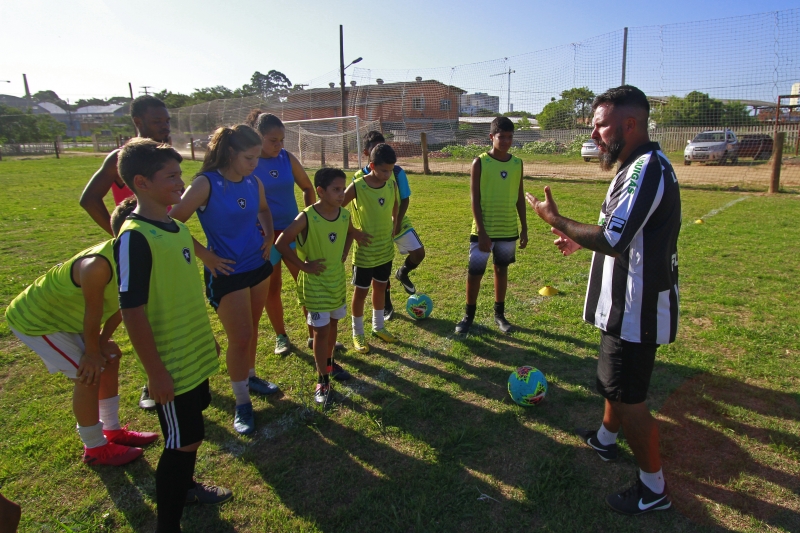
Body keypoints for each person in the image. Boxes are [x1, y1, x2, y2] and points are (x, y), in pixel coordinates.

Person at [526, 85, 680, 515]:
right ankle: (605, 440)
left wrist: (553, 218)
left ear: (629, 124)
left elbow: (613, 238)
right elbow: (622, 231)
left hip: (636, 310)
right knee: (613, 383)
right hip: (624, 307)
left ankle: (654, 490)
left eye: (600, 124)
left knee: (630, 400)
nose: (593, 133)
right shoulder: (633, 166)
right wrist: (579, 244)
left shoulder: (646, 168)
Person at [114, 138, 233, 533]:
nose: (180, 182)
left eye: (180, 173)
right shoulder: (134, 236)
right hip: (170, 362)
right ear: (141, 182)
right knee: (184, 440)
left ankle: (187, 488)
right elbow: (131, 309)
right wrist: (156, 373)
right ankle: (169, 525)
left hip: (193, 351)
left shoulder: (178, 227)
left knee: (189, 432)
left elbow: (183, 289)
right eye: (170, 176)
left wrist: (206, 336)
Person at [5, 198, 158, 466]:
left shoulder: (141, 258)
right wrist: (90, 352)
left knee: (110, 356)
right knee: (87, 372)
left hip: (70, 320)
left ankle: (112, 430)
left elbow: (122, 307)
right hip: (37, 321)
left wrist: (100, 344)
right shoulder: (97, 265)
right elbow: (93, 312)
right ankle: (95, 448)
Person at [170, 124, 277, 436]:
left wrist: (269, 235)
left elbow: (264, 209)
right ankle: (242, 402)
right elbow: (171, 225)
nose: (254, 164)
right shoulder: (205, 184)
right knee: (240, 337)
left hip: (257, 266)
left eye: (257, 157)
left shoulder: (253, 182)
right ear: (230, 153)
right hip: (226, 272)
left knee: (253, 329)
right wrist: (205, 255)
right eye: (248, 157)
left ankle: (251, 375)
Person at [79, 94, 171, 411]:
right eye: (157, 121)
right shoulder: (121, 158)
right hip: (138, 245)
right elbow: (89, 199)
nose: (164, 127)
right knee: (136, 311)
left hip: (165, 244)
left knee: (163, 308)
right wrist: (119, 234)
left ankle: (172, 371)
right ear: (138, 122)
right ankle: (149, 381)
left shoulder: (164, 159)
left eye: (167, 121)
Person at [245, 111, 346, 357]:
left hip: (293, 232)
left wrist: (310, 219)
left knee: (307, 283)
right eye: (272, 140)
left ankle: (315, 334)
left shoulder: (287, 158)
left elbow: (307, 186)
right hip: (266, 236)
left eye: (281, 140)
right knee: (273, 288)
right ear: (258, 137)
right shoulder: (249, 162)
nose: (278, 145)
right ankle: (281, 336)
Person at [276, 168, 370, 402]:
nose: (341, 194)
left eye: (343, 189)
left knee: (333, 327)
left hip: (336, 282)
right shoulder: (307, 217)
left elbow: (350, 233)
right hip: (316, 285)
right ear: (320, 191)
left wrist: (345, 253)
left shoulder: (344, 214)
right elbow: (281, 243)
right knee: (321, 331)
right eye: (336, 190)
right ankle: (323, 379)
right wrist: (303, 266)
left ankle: (329, 365)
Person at [455, 116, 528, 335]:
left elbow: (519, 196)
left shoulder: (517, 163)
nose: (506, 141)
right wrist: (483, 232)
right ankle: (468, 316)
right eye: (501, 136)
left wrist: (524, 227)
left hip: (507, 228)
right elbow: (474, 200)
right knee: (475, 273)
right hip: (483, 230)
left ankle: (500, 315)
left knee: (501, 270)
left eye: (509, 137)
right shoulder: (480, 162)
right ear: (491, 137)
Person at [353, 131, 426, 320]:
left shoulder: (396, 171)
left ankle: (403, 273)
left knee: (419, 253)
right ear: (367, 153)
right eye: (374, 148)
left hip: (397, 220)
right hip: (374, 228)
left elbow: (404, 198)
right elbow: (353, 209)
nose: (380, 150)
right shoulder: (358, 179)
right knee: (379, 266)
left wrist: (397, 222)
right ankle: (386, 305)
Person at [343, 143, 400, 354]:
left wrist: (394, 223)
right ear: (372, 165)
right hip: (365, 252)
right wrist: (354, 232)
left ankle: (379, 327)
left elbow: (396, 205)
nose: (387, 174)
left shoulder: (391, 184)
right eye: (384, 170)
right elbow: (337, 209)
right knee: (361, 292)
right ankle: (357, 333)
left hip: (385, 249)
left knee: (381, 288)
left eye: (391, 170)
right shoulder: (358, 186)